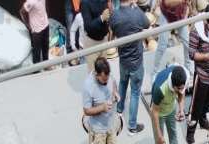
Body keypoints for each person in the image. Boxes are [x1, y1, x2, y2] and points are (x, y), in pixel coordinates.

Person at [82, 57, 126, 144]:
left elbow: (113, 88)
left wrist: (116, 94)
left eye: (107, 79)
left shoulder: (109, 76)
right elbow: (86, 111)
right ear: (97, 74)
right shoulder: (88, 86)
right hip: (97, 128)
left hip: (110, 122)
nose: (106, 81)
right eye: (103, 80)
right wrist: (101, 108)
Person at [110, 0, 150, 135]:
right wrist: (137, 7)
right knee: (134, 93)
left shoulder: (114, 15)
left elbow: (112, 29)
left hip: (123, 59)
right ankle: (132, 127)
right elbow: (147, 23)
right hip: (136, 62)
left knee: (122, 83)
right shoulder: (136, 14)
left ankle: (119, 110)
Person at [151, 64, 192, 144]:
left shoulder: (184, 76)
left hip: (171, 109)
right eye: (178, 88)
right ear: (172, 85)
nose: (181, 90)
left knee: (173, 136)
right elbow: (155, 112)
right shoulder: (160, 88)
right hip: (159, 113)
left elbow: (181, 93)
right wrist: (158, 134)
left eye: (182, 87)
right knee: (160, 142)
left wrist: (180, 109)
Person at [187, 3, 209, 144]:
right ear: (207, 20)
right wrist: (207, 57)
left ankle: (203, 120)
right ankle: (190, 132)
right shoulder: (196, 31)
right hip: (201, 75)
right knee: (196, 105)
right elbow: (192, 54)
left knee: (207, 100)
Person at [152, 0, 192, 88]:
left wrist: (185, 14)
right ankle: (155, 72)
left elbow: (188, 3)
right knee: (162, 45)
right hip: (167, 15)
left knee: (188, 44)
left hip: (180, 15)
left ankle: (187, 69)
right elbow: (167, 3)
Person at [81, 0, 110, 71]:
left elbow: (107, 17)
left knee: (104, 72)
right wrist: (101, 18)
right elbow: (88, 27)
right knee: (93, 74)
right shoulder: (85, 3)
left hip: (103, 40)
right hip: (91, 43)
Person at [22, 0, 49, 64]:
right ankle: (37, 71)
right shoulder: (30, 2)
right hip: (36, 30)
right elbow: (22, 12)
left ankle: (46, 65)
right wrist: (28, 25)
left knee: (45, 48)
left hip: (45, 25)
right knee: (37, 52)